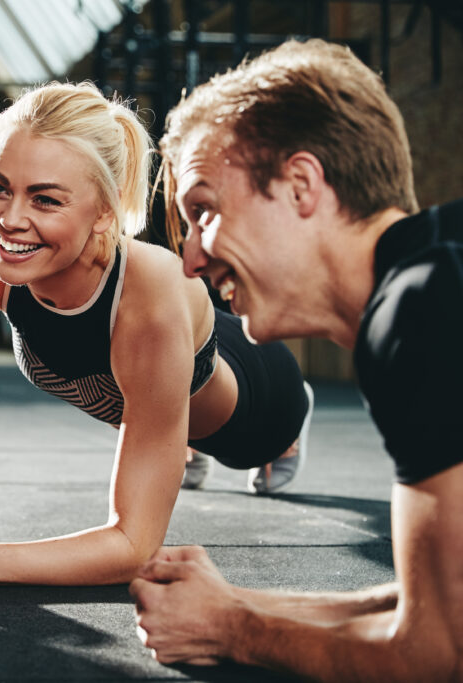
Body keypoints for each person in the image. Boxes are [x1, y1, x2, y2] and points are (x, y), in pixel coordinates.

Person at [0, 81, 311, 587]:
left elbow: (134, 547)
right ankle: (170, 434)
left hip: (258, 406)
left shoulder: (147, 298)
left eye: (45, 200)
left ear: (104, 211)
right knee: (155, 409)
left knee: (228, 435)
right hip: (164, 369)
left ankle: (260, 442)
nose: (10, 220)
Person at [128, 38, 463, 680]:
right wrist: (240, 604)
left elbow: (434, 657)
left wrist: (232, 629)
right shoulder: (436, 274)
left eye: (205, 211)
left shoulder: (421, 310)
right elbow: (447, 603)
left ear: (301, 184)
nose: (192, 259)